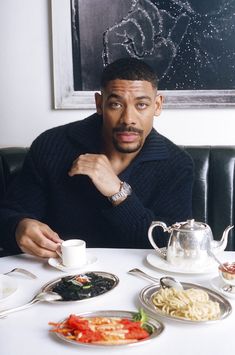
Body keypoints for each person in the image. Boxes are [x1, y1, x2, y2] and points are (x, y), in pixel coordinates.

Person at [0, 58, 194, 259]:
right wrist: (17, 226)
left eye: (142, 105)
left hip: (139, 281)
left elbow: (173, 247)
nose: (128, 118)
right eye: (116, 104)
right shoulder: (51, 145)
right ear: (100, 104)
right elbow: (8, 214)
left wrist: (118, 193)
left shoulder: (177, 165)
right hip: (57, 277)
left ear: (158, 105)